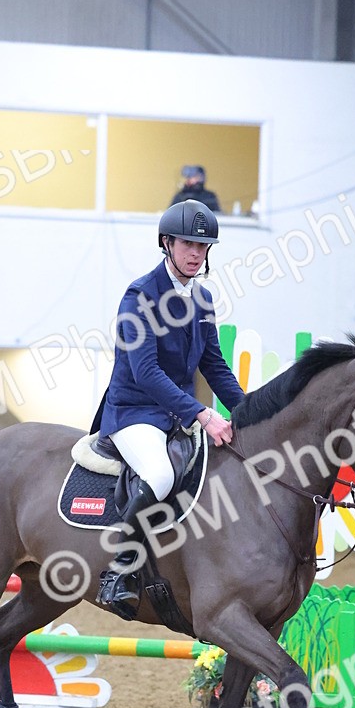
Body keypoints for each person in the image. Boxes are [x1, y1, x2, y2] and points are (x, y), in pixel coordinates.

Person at [95, 198, 245, 609]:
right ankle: (118, 571)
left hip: (175, 416)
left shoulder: (204, 300)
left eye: (203, 247)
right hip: (134, 413)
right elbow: (145, 372)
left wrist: (249, 410)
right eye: (187, 245)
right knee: (160, 473)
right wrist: (202, 413)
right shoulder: (139, 296)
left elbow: (214, 366)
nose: (196, 253)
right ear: (166, 243)